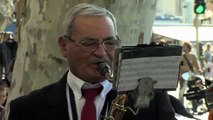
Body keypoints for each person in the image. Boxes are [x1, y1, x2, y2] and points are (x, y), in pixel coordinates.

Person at [9, 3, 175, 120]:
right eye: (89, 43)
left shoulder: (152, 102)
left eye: (110, 43)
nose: (102, 52)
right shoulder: (27, 109)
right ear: (64, 46)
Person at [179, 42, 202, 114]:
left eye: (184, 46)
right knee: (182, 91)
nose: (183, 48)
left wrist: (199, 71)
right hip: (184, 75)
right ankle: (180, 107)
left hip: (191, 75)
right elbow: (181, 67)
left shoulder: (193, 56)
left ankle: (195, 107)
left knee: (193, 90)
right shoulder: (181, 57)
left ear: (188, 48)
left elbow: (197, 66)